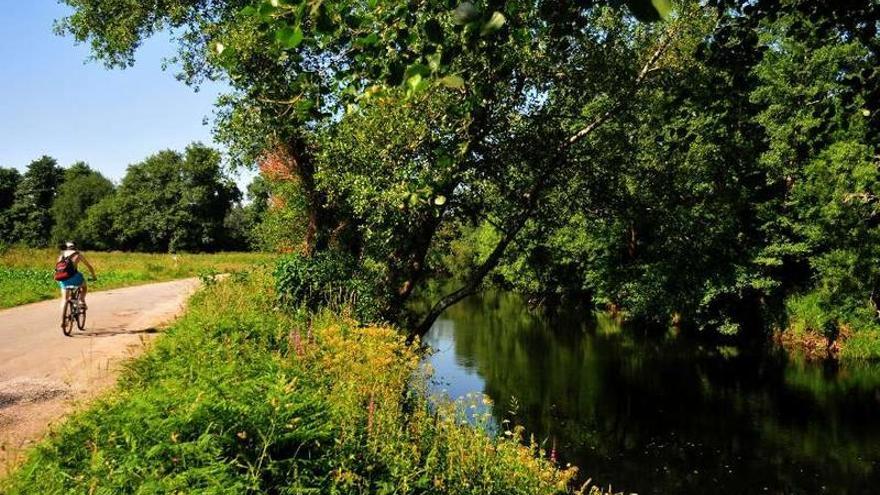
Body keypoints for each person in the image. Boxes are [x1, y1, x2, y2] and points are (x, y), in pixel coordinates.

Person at [57, 241, 97, 313]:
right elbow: (89, 266)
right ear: (75, 247)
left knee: (64, 299)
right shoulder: (78, 254)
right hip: (75, 277)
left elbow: (58, 268)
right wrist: (93, 276)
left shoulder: (61, 255)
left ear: (66, 247)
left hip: (63, 278)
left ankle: (63, 319)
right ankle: (81, 300)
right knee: (84, 287)